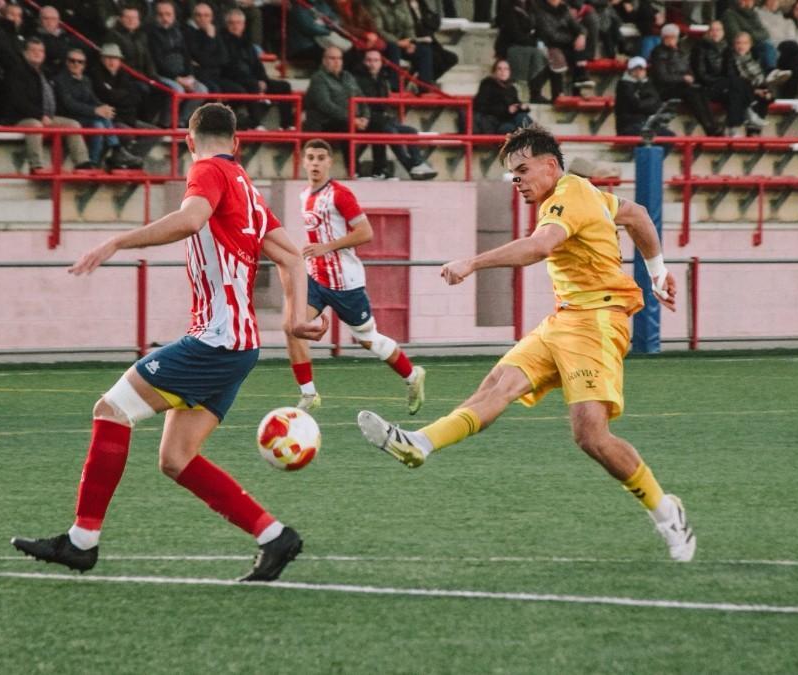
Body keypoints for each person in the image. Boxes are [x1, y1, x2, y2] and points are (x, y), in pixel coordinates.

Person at [11, 102, 329, 583]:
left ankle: (82, 541)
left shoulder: (207, 170)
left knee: (111, 410)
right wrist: (296, 318)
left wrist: (117, 241)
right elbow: (291, 255)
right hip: (238, 345)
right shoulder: (246, 184)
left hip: (216, 341)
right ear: (238, 143)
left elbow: (190, 220)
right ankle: (274, 536)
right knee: (175, 459)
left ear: (187, 141)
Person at [355, 125, 696, 562]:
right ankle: (418, 444)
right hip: (565, 319)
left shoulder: (568, 196)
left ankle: (666, 510)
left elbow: (539, 247)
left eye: (522, 171)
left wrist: (472, 262)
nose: (517, 182)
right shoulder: (585, 193)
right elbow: (639, 215)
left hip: (596, 323)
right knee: (497, 385)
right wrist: (656, 272)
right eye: (512, 176)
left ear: (551, 165)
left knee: (591, 436)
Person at [289, 139, 427, 413]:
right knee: (293, 328)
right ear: (303, 162)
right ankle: (309, 394)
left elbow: (366, 233)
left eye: (320, 158)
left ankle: (413, 377)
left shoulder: (340, 194)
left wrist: (326, 247)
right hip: (316, 280)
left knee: (369, 340)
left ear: (330, 162)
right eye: (311, 157)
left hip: (346, 284)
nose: (315, 163)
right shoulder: (304, 195)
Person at [5, 38, 96, 175]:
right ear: (25, 53)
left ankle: (82, 164)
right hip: (22, 118)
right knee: (35, 125)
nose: (37, 53)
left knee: (73, 124)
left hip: (46, 117)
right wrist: (40, 115)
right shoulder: (17, 72)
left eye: (41, 51)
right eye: (33, 50)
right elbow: (18, 101)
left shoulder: (45, 73)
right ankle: (36, 166)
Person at [55, 48, 143, 171]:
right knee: (99, 118)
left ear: (84, 65)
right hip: (68, 117)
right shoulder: (60, 80)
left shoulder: (86, 80)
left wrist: (103, 107)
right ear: (67, 62)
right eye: (72, 61)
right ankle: (116, 150)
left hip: (85, 117)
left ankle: (94, 162)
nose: (76, 64)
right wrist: (95, 110)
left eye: (80, 62)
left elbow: (93, 99)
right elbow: (70, 104)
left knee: (99, 125)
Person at [354, 49, 437, 179]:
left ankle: (417, 162)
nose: (372, 64)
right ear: (364, 62)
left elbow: (384, 104)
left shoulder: (383, 79)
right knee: (388, 130)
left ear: (381, 63)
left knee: (411, 131)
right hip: (366, 119)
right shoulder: (357, 79)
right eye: (369, 60)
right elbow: (363, 106)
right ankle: (411, 166)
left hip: (382, 119)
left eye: (376, 60)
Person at [221, 7, 295, 130]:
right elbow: (230, 67)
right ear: (226, 24)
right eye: (231, 23)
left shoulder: (248, 43)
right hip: (234, 79)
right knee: (252, 85)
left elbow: (257, 66)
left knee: (284, 86)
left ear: (244, 25)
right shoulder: (222, 41)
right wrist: (256, 82)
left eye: (238, 23)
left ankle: (286, 125)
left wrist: (264, 81)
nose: (235, 26)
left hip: (253, 79)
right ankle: (256, 124)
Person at [650, 23, 720, 136]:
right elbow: (662, 77)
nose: (674, 40)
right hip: (667, 88)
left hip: (682, 85)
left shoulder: (680, 50)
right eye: (671, 37)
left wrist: (689, 77)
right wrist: (683, 78)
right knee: (692, 92)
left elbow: (687, 68)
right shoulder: (659, 53)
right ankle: (709, 127)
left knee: (700, 90)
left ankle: (712, 125)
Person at [148, 0, 210, 125]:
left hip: (182, 75)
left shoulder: (179, 32)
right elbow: (157, 62)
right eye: (161, 14)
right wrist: (177, 79)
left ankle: (181, 121)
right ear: (155, 16)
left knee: (202, 90)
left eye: (168, 14)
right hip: (162, 75)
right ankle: (165, 124)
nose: (165, 18)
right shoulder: (151, 34)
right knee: (177, 91)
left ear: (174, 16)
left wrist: (190, 76)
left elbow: (186, 56)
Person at [474, 58, 533, 135]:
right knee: (509, 128)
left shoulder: (511, 88)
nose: (503, 72)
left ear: (509, 72)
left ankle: (532, 142)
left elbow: (515, 104)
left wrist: (522, 107)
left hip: (510, 119)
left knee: (523, 117)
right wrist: (507, 110)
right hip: (496, 122)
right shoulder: (487, 85)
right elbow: (481, 107)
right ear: (494, 72)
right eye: (499, 69)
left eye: (506, 69)